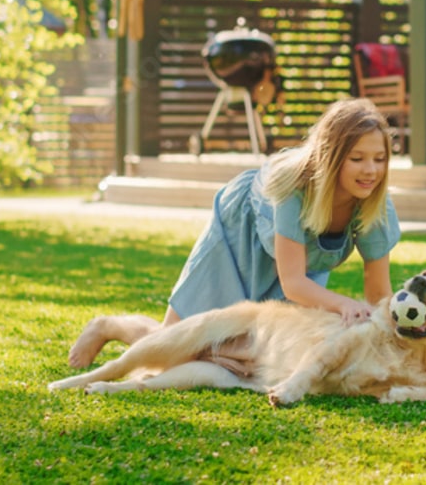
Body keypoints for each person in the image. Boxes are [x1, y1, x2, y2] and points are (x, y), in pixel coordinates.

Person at [68, 97, 401, 368]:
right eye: (357, 158)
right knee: (176, 346)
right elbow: (294, 283)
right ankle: (108, 326)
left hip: (300, 263)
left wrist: (392, 345)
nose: (370, 170)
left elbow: (377, 291)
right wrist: (344, 305)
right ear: (330, 157)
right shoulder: (293, 189)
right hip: (240, 237)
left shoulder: (375, 204)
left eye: (379, 159)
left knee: (254, 354)